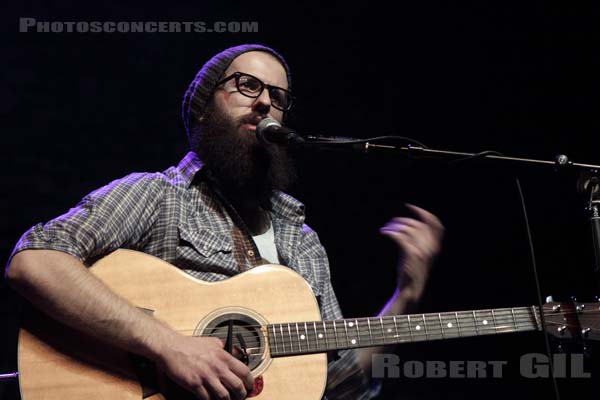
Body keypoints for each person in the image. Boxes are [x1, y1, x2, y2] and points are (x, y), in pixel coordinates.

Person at [5, 44, 444, 400]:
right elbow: (35, 262)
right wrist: (169, 344)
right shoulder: (159, 195)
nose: (265, 102)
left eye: (278, 96)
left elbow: (331, 382)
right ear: (202, 107)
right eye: (246, 85)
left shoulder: (303, 241)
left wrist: (406, 295)